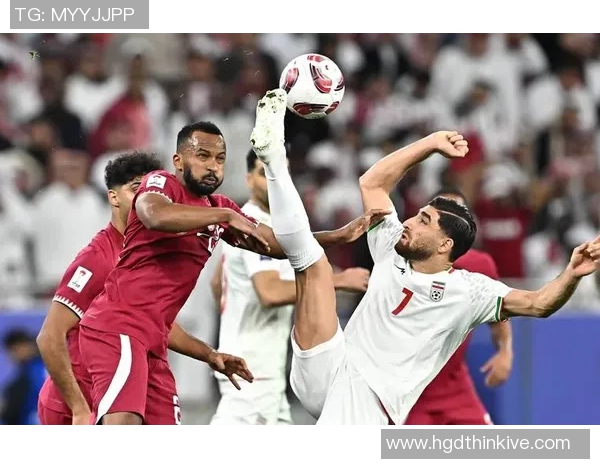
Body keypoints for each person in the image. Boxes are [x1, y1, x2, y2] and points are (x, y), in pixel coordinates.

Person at [248, 88, 600, 425]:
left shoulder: (470, 290)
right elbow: (372, 183)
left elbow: (539, 304)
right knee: (312, 262)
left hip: (370, 396)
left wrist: (571, 274)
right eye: (417, 215)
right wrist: (430, 143)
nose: (409, 222)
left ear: (445, 245)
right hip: (328, 363)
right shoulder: (391, 245)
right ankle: (274, 158)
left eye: (424, 221)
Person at [77, 121, 379, 425]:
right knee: (123, 429)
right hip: (117, 327)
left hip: (152, 340)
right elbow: (154, 215)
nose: (213, 166)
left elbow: (273, 243)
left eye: (220, 159)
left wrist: (336, 236)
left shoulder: (218, 207)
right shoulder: (162, 183)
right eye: (203, 156)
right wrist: (225, 216)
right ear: (178, 161)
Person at [36, 151, 252, 426]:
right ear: (113, 197)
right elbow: (49, 336)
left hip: (129, 385)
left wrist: (209, 355)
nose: (144, 198)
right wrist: (78, 407)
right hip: (76, 403)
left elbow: (155, 323)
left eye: (150, 191)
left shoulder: (147, 252)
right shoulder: (98, 258)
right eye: (136, 189)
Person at [209, 149, 372, 425]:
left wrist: (235, 318)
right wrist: (338, 281)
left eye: (280, 172)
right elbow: (269, 291)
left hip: (260, 365)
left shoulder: (258, 223)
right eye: (264, 173)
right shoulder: (254, 222)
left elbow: (217, 282)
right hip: (253, 368)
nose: (274, 179)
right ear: (249, 180)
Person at [405, 186, 512, 425]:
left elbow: (500, 313)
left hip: (454, 387)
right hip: (408, 391)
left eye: (459, 213)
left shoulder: (480, 264)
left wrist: (505, 351)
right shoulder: (404, 259)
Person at [1, 329, 46, 425]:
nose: (13, 355)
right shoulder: (50, 367)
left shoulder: (31, 373)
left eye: (16, 349)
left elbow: (11, 409)